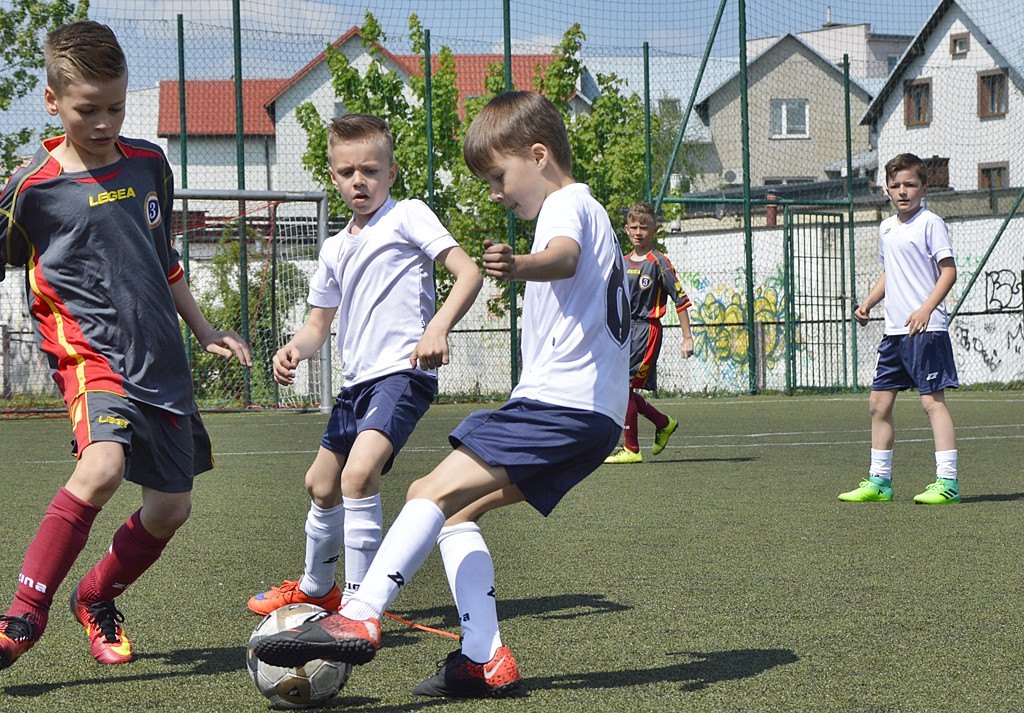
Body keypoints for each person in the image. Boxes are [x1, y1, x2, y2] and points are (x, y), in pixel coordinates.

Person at [252, 90, 630, 699]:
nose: (497, 193)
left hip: (561, 404)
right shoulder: (593, 211)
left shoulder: (565, 202)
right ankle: (483, 656)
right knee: (457, 513)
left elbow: (561, 259)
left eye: (499, 176)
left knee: (428, 491)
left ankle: (361, 611)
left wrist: (521, 264)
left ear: (539, 156)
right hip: (596, 417)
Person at [0, 21, 252, 669]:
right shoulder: (31, 189)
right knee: (103, 466)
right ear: (52, 103)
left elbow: (163, 258)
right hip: (90, 358)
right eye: (89, 109)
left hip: (161, 363)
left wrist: (204, 329)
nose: (105, 121)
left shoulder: (149, 165)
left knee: (171, 507)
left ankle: (97, 595)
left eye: (116, 106)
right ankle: (23, 614)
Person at [246, 113, 482, 616]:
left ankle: (359, 604)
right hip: (356, 386)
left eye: (371, 170)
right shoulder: (333, 247)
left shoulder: (408, 215)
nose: (360, 180)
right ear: (332, 176)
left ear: (391, 173)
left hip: (402, 374)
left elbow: (468, 272)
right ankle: (317, 587)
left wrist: (436, 327)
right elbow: (317, 324)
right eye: (348, 171)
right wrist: (294, 349)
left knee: (358, 475)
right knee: (320, 483)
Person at [839, 152, 960, 505]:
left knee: (932, 403)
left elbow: (949, 271)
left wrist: (926, 309)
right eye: (895, 185)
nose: (902, 191)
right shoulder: (886, 228)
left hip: (927, 329)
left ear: (924, 187)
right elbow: (890, 273)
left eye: (910, 184)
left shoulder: (931, 223)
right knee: (878, 404)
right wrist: (867, 303)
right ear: (886, 190)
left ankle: (948, 483)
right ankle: (879, 482)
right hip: (894, 333)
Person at [604, 202, 694, 464]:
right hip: (623, 331)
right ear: (626, 229)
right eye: (634, 227)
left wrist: (687, 337)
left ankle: (631, 449)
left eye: (644, 227)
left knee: (622, 388)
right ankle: (663, 423)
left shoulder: (659, 262)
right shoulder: (621, 262)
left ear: (655, 229)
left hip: (646, 330)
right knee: (619, 389)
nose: (638, 232)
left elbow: (680, 300)